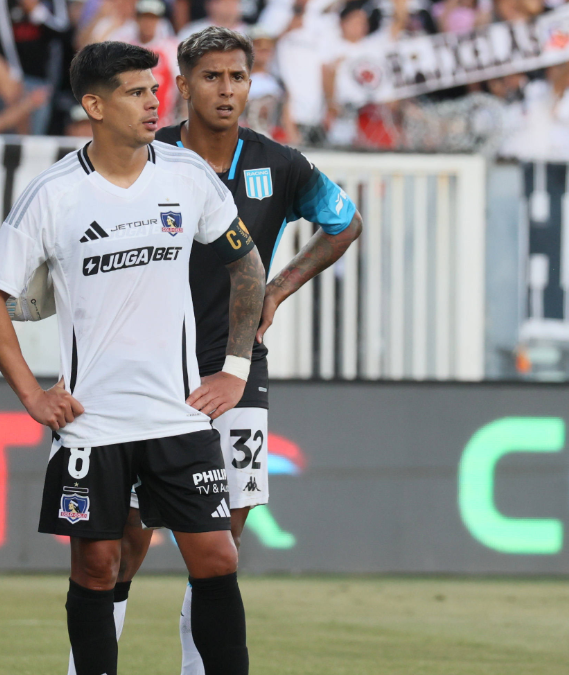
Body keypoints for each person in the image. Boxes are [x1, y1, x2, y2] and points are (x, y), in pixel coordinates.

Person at [0, 40, 264, 675]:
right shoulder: (52, 194)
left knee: (217, 557)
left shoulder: (187, 175)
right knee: (98, 565)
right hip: (93, 422)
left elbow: (247, 266)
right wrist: (32, 394)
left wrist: (235, 369)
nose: (154, 102)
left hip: (177, 415)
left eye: (154, 90)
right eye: (136, 92)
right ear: (95, 105)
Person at [149, 27, 362, 674]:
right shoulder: (148, 157)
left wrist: (279, 287)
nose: (226, 89)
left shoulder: (281, 164)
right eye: (211, 77)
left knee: (224, 536)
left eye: (237, 77)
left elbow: (345, 222)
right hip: (150, 365)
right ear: (183, 85)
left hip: (238, 366)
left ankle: (196, 666)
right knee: (126, 537)